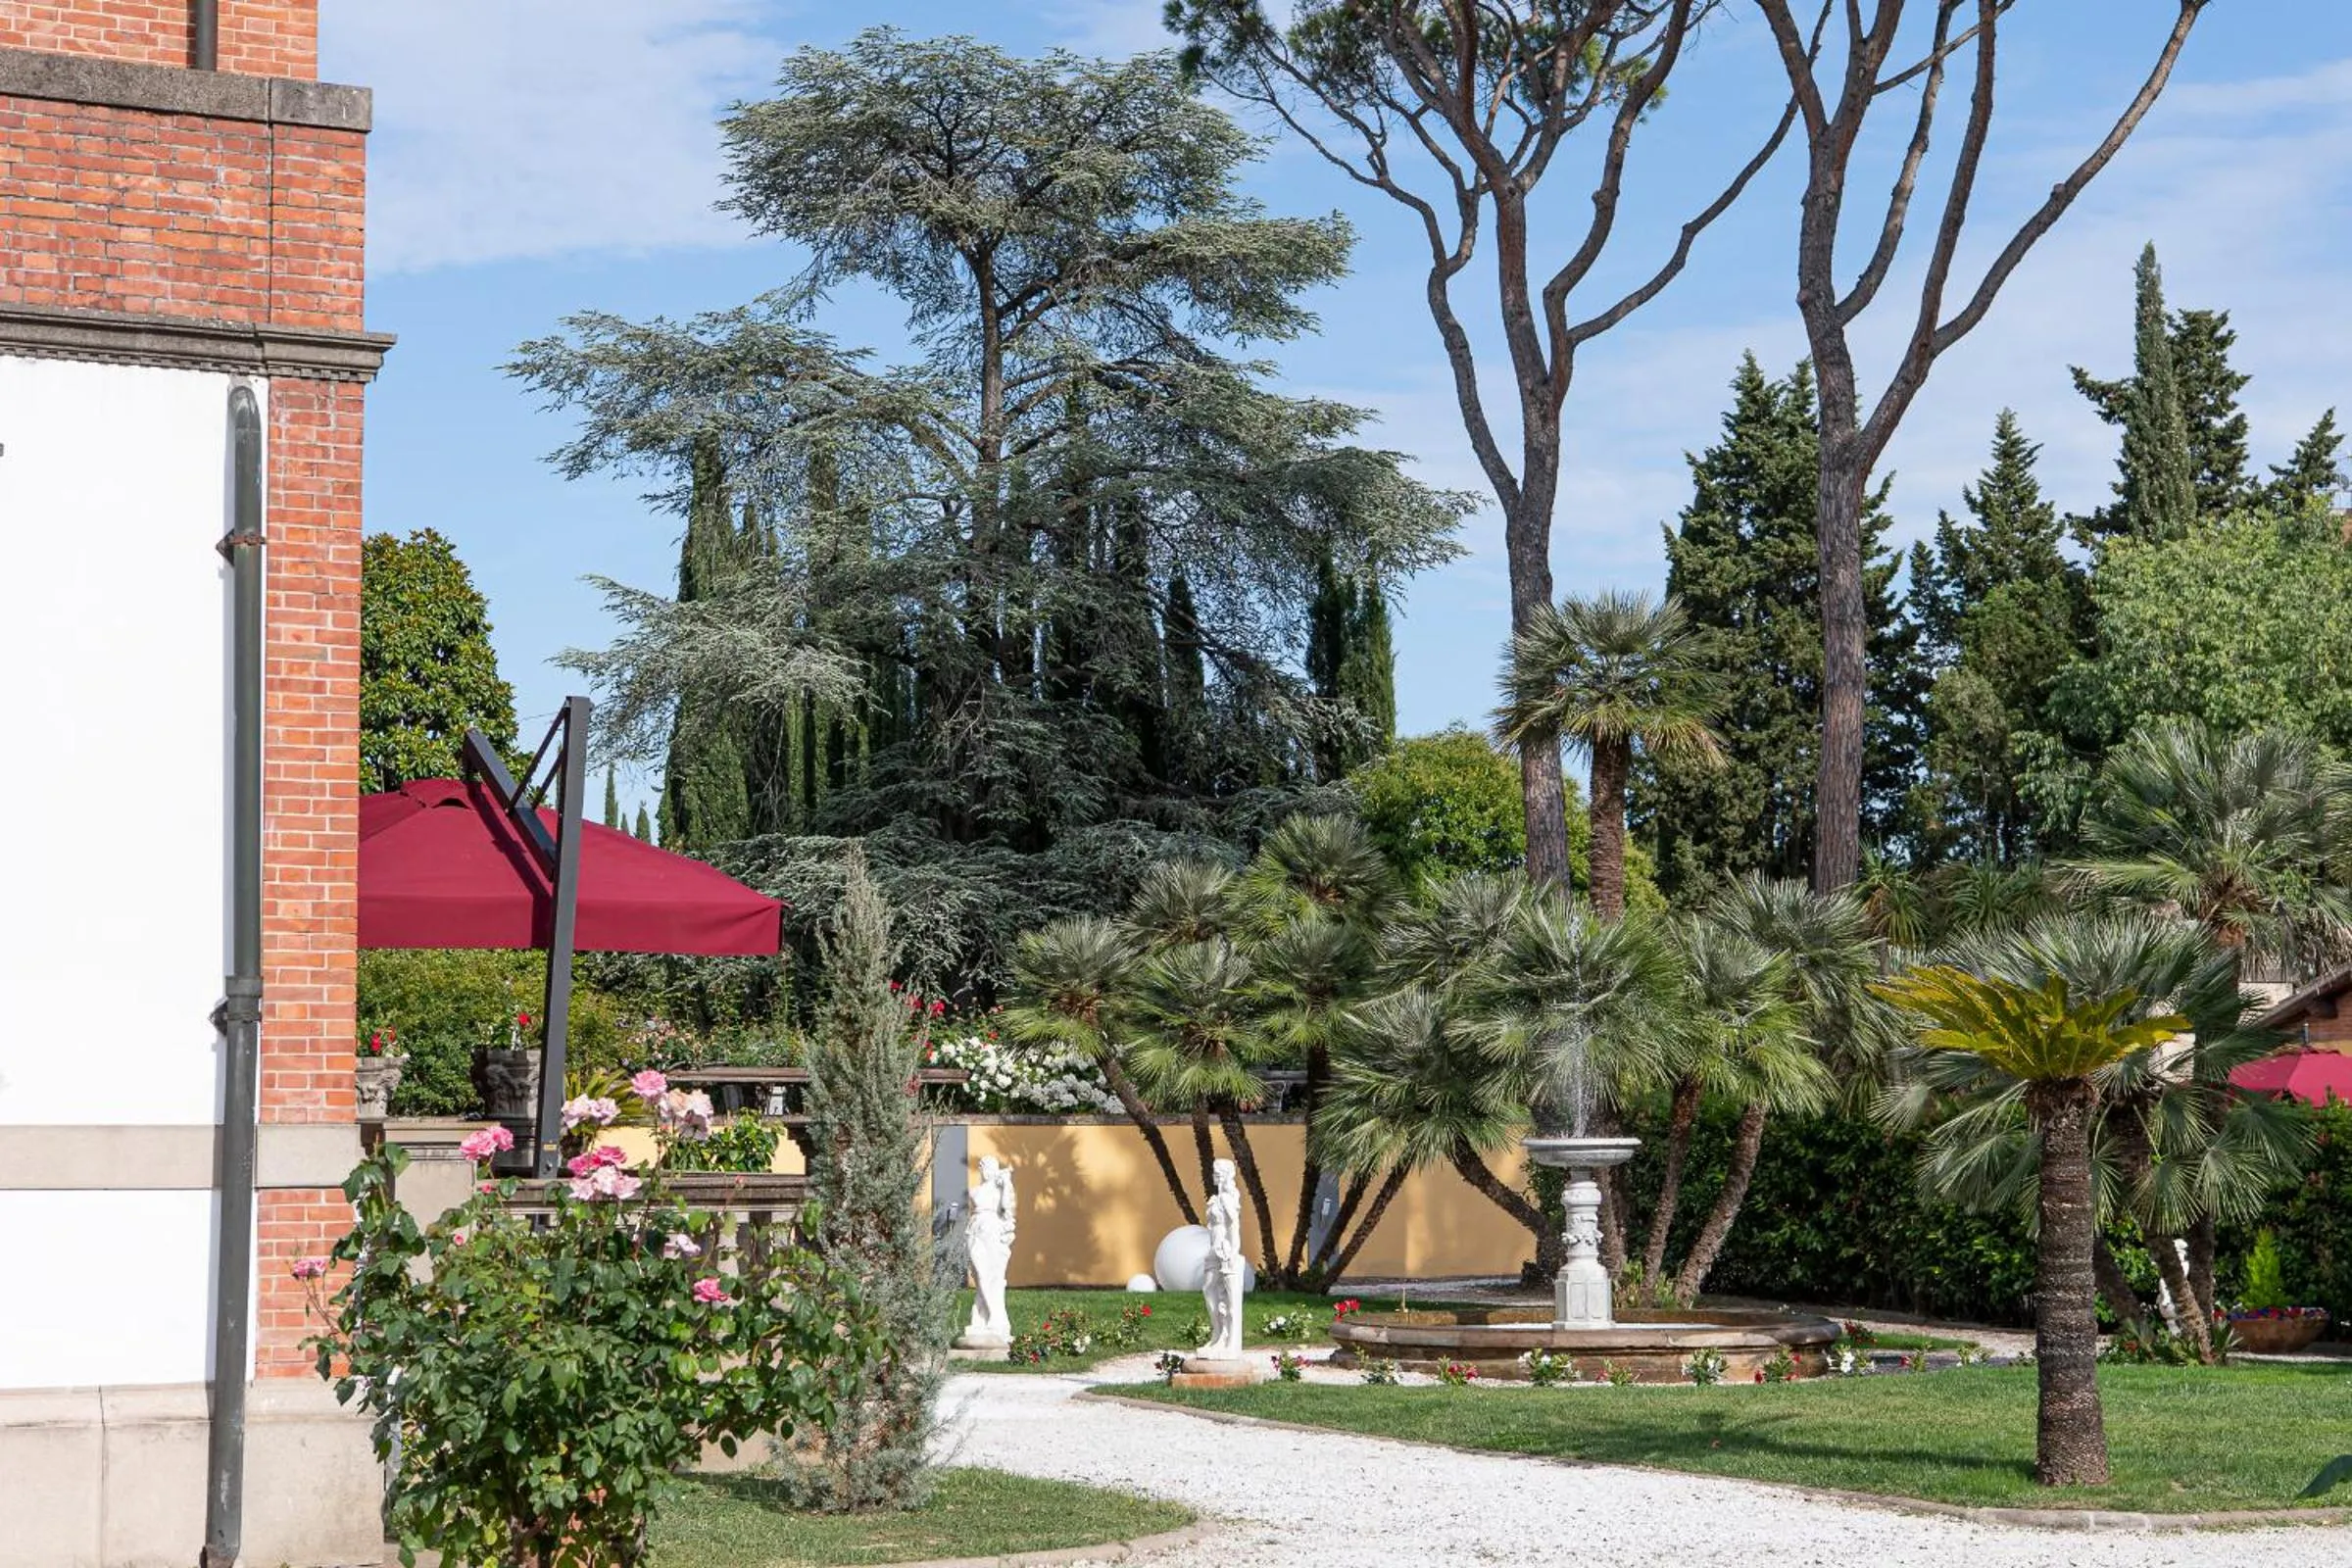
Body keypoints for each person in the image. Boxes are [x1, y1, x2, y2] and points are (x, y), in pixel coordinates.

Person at [960, 1156, 1016, 1347]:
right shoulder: (974, 1191)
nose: (985, 1170)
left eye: (989, 1167)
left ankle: (991, 1317)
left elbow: (1007, 1208)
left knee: (992, 1275)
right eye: (982, 1167)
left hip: (993, 1229)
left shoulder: (1001, 1189)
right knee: (980, 1273)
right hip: (975, 1230)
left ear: (995, 1169)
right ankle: (992, 1316)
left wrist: (1007, 1184)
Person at [1200, 1157, 1245, 1359]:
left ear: (1226, 1175)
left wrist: (1233, 1250)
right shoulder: (1216, 1198)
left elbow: (1233, 1225)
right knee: (1209, 1289)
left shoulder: (1227, 1198)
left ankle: (1229, 1340)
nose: (1214, 1176)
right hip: (1213, 1249)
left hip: (1225, 1248)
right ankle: (1217, 1334)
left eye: (1217, 1173)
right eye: (1213, 1172)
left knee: (1229, 1296)